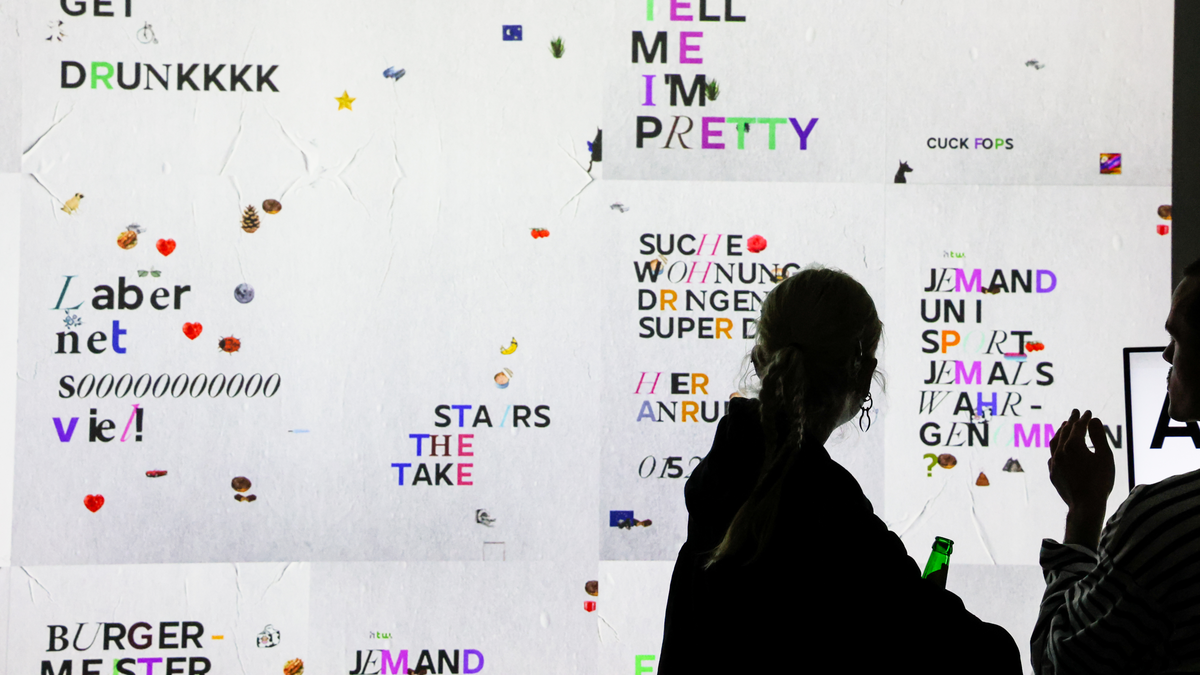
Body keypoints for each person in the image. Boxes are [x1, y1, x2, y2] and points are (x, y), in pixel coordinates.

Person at [658, 265, 1022, 673]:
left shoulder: (717, 485)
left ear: (760, 360)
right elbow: (988, 657)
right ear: (863, 376)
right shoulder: (831, 513)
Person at [1033, 262, 1200, 673]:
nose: (1166, 355)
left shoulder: (1159, 523)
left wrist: (1084, 513)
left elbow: (1057, 663)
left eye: (1177, 338)